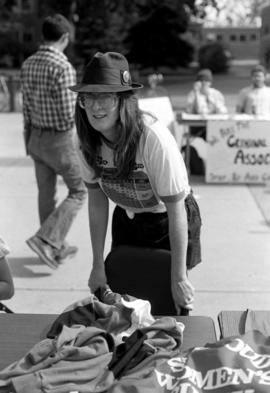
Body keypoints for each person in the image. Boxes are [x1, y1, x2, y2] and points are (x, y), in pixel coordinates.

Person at [70, 51, 202, 313]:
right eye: (88, 97)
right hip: (128, 215)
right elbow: (97, 202)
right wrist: (98, 265)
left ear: (123, 101)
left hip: (168, 218)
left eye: (105, 96)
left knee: (169, 299)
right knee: (124, 300)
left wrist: (178, 278)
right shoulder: (85, 139)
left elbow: (176, 209)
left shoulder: (153, 138)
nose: (95, 107)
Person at [20, 14, 87, 269]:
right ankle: (47, 239)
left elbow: (26, 105)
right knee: (79, 191)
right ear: (65, 38)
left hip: (35, 135)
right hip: (58, 138)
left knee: (46, 193)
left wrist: (28, 137)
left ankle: (54, 245)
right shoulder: (63, 67)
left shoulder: (28, 63)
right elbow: (67, 114)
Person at [184, 69, 228, 175]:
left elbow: (223, 111)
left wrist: (211, 99)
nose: (204, 83)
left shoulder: (216, 94)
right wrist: (196, 94)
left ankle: (219, 166)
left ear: (210, 82)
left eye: (206, 81)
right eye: (201, 81)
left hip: (214, 126)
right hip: (197, 126)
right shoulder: (193, 94)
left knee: (221, 139)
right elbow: (189, 111)